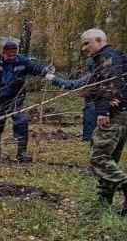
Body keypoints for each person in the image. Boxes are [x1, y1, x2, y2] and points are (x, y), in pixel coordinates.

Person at [51, 29, 127, 210]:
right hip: (120, 113)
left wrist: (103, 111)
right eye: (82, 44)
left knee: (99, 158)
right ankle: (103, 203)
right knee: (109, 158)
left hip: (114, 114)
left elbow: (111, 84)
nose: (83, 48)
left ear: (99, 40)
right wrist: (53, 78)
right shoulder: (106, 58)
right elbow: (83, 84)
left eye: (87, 44)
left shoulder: (108, 57)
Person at [0, 39, 61, 163]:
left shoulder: (22, 61)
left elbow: (35, 68)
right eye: (9, 55)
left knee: (22, 121)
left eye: (13, 54)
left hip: (16, 99)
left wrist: (46, 71)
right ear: (3, 53)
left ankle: (22, 153)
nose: (12, 57)